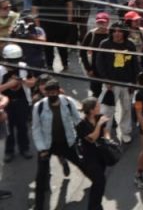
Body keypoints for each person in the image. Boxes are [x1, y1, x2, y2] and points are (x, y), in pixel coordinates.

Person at [32, 80, 84, 210]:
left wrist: (85, 135)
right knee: (41, 178)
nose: (52, 95)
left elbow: (77, 120)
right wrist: (42, 149)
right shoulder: (39, 107)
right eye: (49, 93)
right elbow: (36, 129)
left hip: (66, 142)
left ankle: (97, 182)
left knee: (83, 164)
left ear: (58, 91)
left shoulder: (68, 102)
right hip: (47, 145)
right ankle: (39, 206)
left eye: (54, 92)